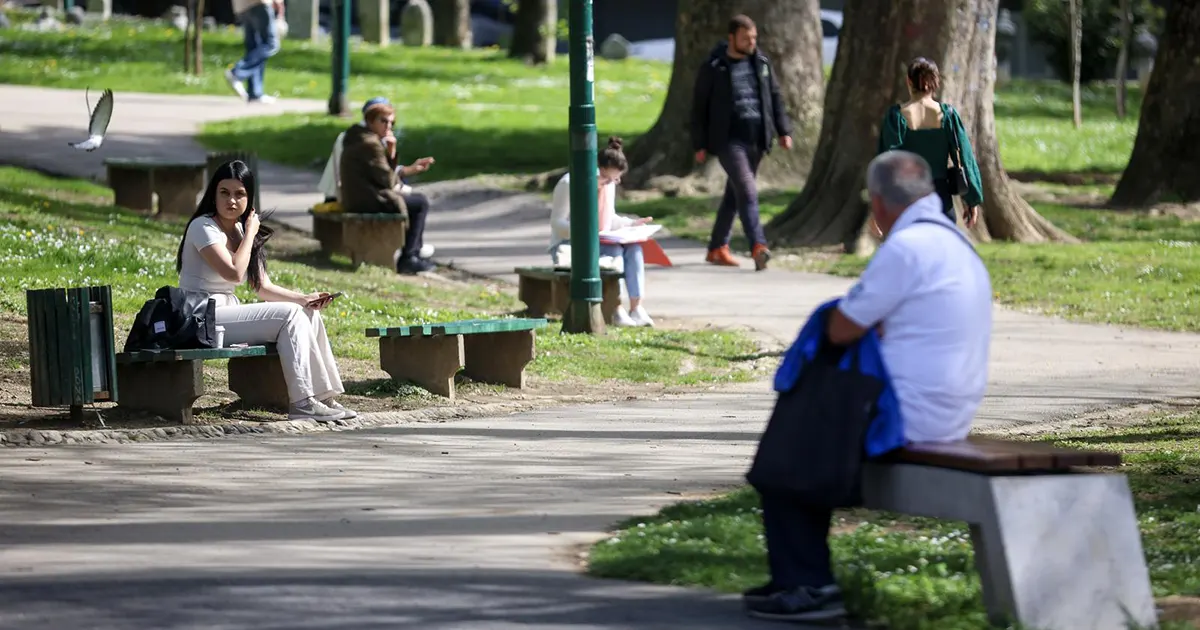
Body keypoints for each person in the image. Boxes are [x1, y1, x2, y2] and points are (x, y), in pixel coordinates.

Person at [743, 150, 993, 622]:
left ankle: (809, 584)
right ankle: (798, 578)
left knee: (788, 448)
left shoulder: (905, 248)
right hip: (949, 408)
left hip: (907, 412)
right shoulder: (956, 246)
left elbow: (841, 328)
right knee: (803, 429)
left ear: (877, 204)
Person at [175, 160, 356, 422]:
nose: (232, 201)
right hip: (200, 317)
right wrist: (250, 233)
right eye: (224, 192)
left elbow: (263, 287)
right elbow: (234, 273)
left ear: (249, 198)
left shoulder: (239, 229)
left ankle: (323, 397)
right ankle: (303, 403)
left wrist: (304, 299)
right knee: (290, 316)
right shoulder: (203, 227)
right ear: (213, 195)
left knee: (305, 312)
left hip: (226, 312)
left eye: (240, 194)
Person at [691, 14, 794, 272]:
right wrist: (699, 143)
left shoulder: (761, 62)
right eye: (746, 38)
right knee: (747, 189)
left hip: (757, 138)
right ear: (732, 37)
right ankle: (758, 246)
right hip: (728, 140)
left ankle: (717, 248)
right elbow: (699, 107)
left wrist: (784, 130)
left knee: (734, 195)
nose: (751, 42)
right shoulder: (714, 66)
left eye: (754, 38)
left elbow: (775, 97)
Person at [549, 136, 656, 327]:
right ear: (596, 169)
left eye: (615, 179)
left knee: (634, 249)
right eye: (606, 178)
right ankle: (616, 309)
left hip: (601, 240)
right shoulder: (569, 183)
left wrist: (631, 224)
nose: (609, 183)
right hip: (569, 244)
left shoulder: (608, 186)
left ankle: (636, 307)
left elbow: (609, 218)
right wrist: (584, 233)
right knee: (613, 251)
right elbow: (557, 223)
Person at [317, 97, 434, 260]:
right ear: (370, 121)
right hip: (365, 199)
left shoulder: (357, 136)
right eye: (383, 121)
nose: (388, 127)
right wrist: (392, 155)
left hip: (357, 197)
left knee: (412, 199)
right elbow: (386, 179)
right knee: (420, 202)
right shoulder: (369, 143)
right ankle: (410, 256)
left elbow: (380, 173)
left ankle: (413, 250)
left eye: (392, 123)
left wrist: (399, 162)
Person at [877, 57, 984, 226]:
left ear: (908, 81)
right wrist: (971, 198)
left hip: (908, 199)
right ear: (936, 82)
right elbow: (965, 158)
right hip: (941, 198)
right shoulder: (948, 115)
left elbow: (887, 161)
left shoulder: (896, 117)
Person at [224, 0, 283, 104]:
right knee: (271, 44)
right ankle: (237, 72)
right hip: (259, 3)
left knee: (254, 47)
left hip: (242, 6)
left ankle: (255, 93)